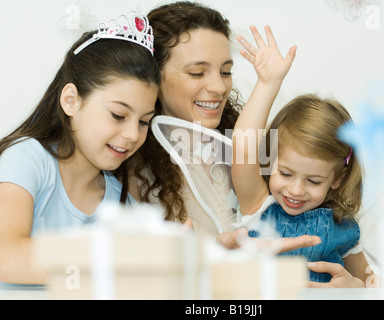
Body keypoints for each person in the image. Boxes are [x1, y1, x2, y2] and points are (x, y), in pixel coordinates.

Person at [0, 10, 160, 284]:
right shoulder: (27, 159)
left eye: (144, 122)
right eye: (118, 116)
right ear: (71, 100)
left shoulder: (121, 200)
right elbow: (7, 256)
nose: (133, 134)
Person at [232, 25, 372, 287]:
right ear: (269, 158)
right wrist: (268, 83)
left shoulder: (343, 227)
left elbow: (371, 283)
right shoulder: (258, 206)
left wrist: (357, 287)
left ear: (338, 179)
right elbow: (243, 146)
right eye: (285, 173)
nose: (295, 189)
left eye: (314, 181)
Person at [129, 1, 243, 237]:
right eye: (197, 73)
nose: (219, 87)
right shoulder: (131, 166)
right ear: (153, 76)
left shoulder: (243, 144)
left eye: (226, 72)